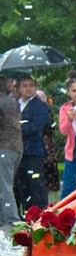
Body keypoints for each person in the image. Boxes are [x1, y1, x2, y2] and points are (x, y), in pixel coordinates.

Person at [13, 75, 49, 212]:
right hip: (18, 151)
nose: (28, 89)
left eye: (31, 85)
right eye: (25, 86)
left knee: (36, 184)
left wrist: (17, 128)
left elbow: (36, 126)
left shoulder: (40, 106)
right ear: (20, 88)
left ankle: (40, 212)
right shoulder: (15, 105)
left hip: (33, 151)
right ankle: (26, 212)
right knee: (21, 184)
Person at [0, 77, 22, 228]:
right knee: (5, 184)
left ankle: (11, 221)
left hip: (4, 147)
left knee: (5, 186)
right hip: (16, 148)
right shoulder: (11, 101)